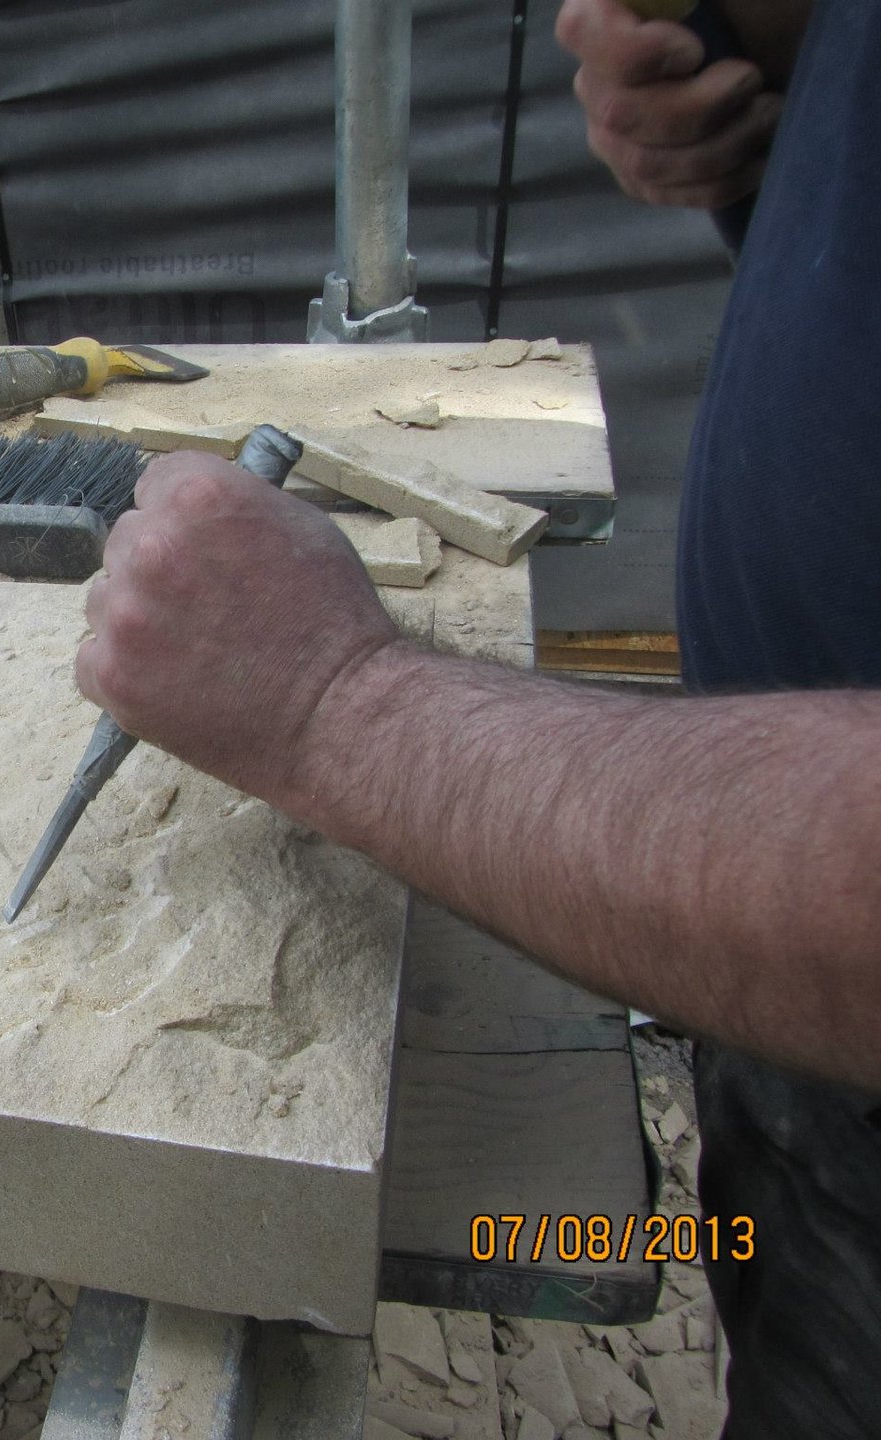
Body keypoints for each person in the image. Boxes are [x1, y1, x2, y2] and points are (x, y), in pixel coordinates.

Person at [73, 0, 880, 1432]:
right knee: (743, 1250)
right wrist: (795, 108)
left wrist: (335, 701)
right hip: (779, 1012)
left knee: (623, 1253)